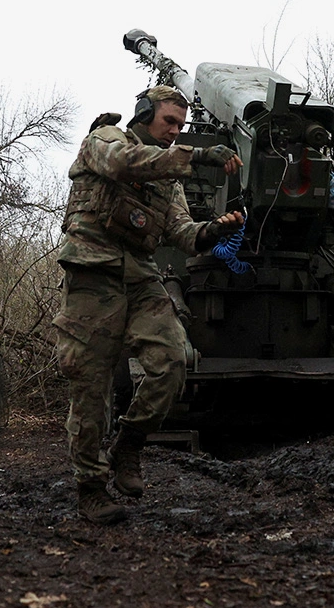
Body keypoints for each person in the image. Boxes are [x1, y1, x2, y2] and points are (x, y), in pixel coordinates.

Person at [52, 85, 245, 525]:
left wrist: (213, 231)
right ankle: (92, 488)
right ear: (143, 115)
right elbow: (124, 165)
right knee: (91, 385)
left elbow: (181, 231)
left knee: (173, 361)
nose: (175, 133)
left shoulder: (168, 177)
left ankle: (129, 444)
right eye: (168, 123)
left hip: (140, 278)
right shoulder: (106, 140)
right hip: (93, 275)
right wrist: (197, 156)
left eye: (181, 126)